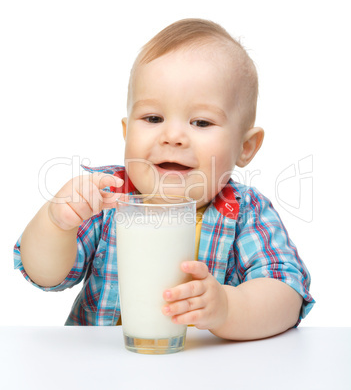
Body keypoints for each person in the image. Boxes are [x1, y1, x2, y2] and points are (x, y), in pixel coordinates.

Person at [14, 18, 314, 340]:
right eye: (153, 118)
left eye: (200, 122)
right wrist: (56, 223)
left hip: (202, 374)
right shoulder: (105, 195)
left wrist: (228, 306)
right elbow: (44, 275)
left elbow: (287, 291)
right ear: (127, 132)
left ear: (245, 147)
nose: (172, 136)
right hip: (101, 372)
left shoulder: (245, 212)